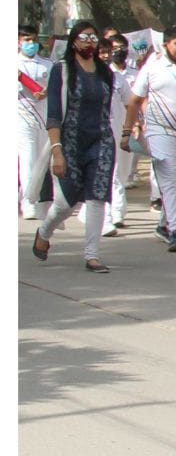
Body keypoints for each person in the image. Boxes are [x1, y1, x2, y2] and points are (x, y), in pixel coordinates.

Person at [30, 22, 118, 272]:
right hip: (70, 142)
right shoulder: (62, 70)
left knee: (97, 196)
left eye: (94, 37)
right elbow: (54, 115)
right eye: (84, 37)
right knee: (66, 202)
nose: (90, 42)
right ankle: (44, 231)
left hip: (101, 140)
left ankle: (92, 255)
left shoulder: (106, 72)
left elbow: (106, 109)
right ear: (73, 41)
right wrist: (57, 151)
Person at [123, 26, 176, 252]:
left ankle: (163, 224)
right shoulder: (152, 68)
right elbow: (134, 100)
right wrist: (127, 130)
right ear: (166, 45)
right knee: (170, 180)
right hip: (159, 132)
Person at [19, 24, 53, 219]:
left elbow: (56, 88)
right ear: (18, 42)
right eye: (26, 40)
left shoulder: (47, 64)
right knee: (28, 158)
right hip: (21, 117)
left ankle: (36, 198)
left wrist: (46, 92)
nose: (31, 43)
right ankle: (28, 202)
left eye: (33, 39)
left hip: (44, 118)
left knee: (41, 161)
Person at [104, 32, 136, 234]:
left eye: (108, 52)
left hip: (120, 131)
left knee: (121, 172)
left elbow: (131, 104)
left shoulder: (118, 79)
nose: (108, 55)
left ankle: (116, 211)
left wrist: (133, 127)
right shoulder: (87, 76)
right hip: (97, 133)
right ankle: (112, 214)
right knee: (110, 173)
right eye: (105, 51)